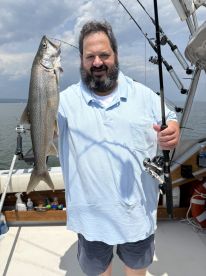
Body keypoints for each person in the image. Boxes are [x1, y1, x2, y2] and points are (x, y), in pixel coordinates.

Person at [58, 21, 179, 276]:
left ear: (116, 54)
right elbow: (40, 121)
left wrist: (172, 131)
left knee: (136, 270)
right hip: (90, 218)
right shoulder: (64, 102)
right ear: (81, 60)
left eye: (104, 54)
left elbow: (170, 116)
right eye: (90, 56)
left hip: (137, 216)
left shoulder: (144, 95)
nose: (98, 62)